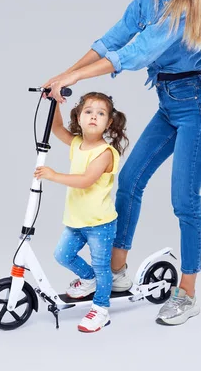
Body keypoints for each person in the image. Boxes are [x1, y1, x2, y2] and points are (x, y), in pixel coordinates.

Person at [42, 0, 201, 326]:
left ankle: (188, 292)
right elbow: (114, 38)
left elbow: (136, 53)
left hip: (196, 108)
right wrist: (64, 74)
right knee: (130, 181)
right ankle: (117, 271)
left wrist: (76, 78)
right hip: (168, 107)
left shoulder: (185, 4)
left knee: (184, 202)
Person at [34, 91, 129, 333]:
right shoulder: (77, 143)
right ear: (78, 117)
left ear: (109, 123)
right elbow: (56, 128)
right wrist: (54, 102)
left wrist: (53, 176)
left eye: (100, 113)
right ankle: (88, 281)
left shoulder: (105, 152)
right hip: (77, 220)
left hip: (100, 223)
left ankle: (101, 309)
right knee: (62, 255)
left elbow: (86, 180)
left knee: (101, 267)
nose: (94, 117)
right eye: (88, 112)